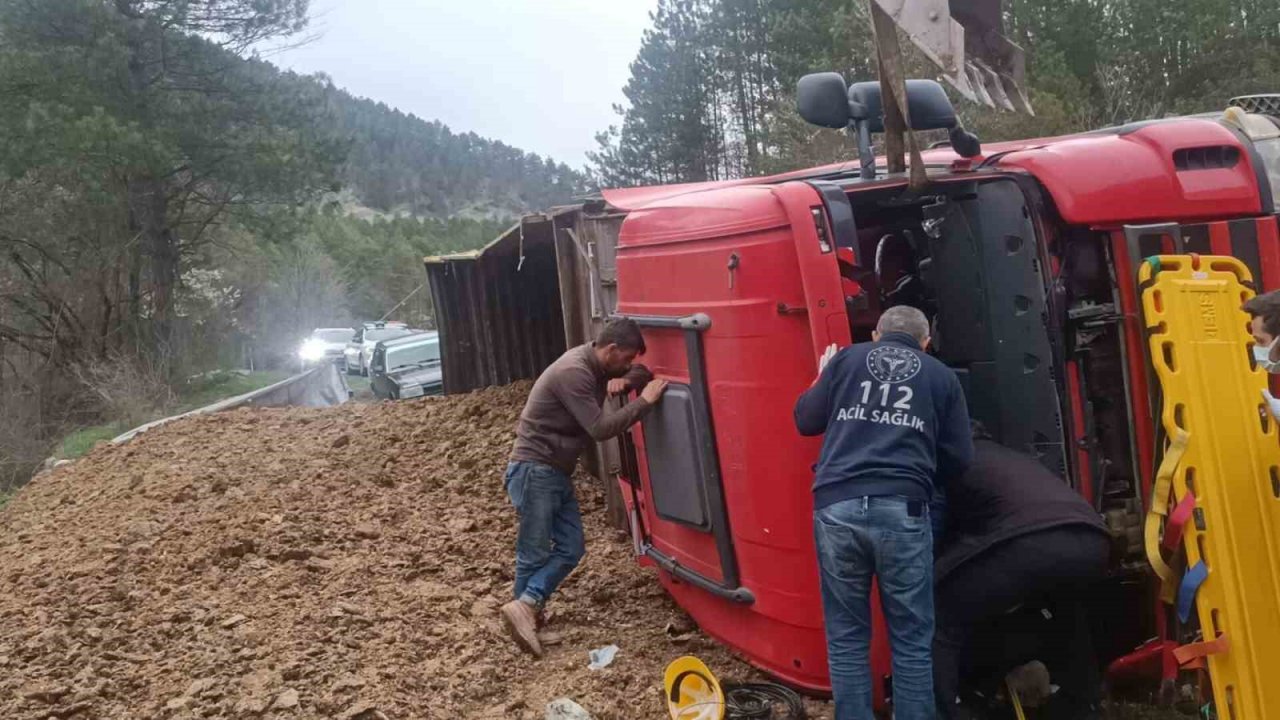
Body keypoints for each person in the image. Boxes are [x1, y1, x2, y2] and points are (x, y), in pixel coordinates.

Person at [794, 305, 973, 720]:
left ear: (876, 335)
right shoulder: (940, 376)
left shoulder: (845, 359)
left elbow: (805, 419)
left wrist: (822, 376)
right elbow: (961, 458)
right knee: (911, 640)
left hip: (837, 506)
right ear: (925, 343)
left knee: (847, 636)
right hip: (905, 509)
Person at [501, 318, 668, 658]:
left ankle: (527, 609)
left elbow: (638, 373)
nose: (629, 364)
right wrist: (645, 402)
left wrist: (627, 378)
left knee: (571, 547)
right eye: (626, 359)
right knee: (533, 552)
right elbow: (600, 428)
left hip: (553, 471)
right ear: (611, 350)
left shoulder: (595, 365)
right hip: (535, 469)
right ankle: (526, 618)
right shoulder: (574, 373)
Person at [933, 423, 1112, 720]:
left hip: (1030, 541)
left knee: (936, 609)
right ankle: (1085, 704)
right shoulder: (1005, 455)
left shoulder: (945, 459)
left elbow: (933, 533)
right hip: (1093, 540)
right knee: (1067, 615)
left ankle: (944, 711)